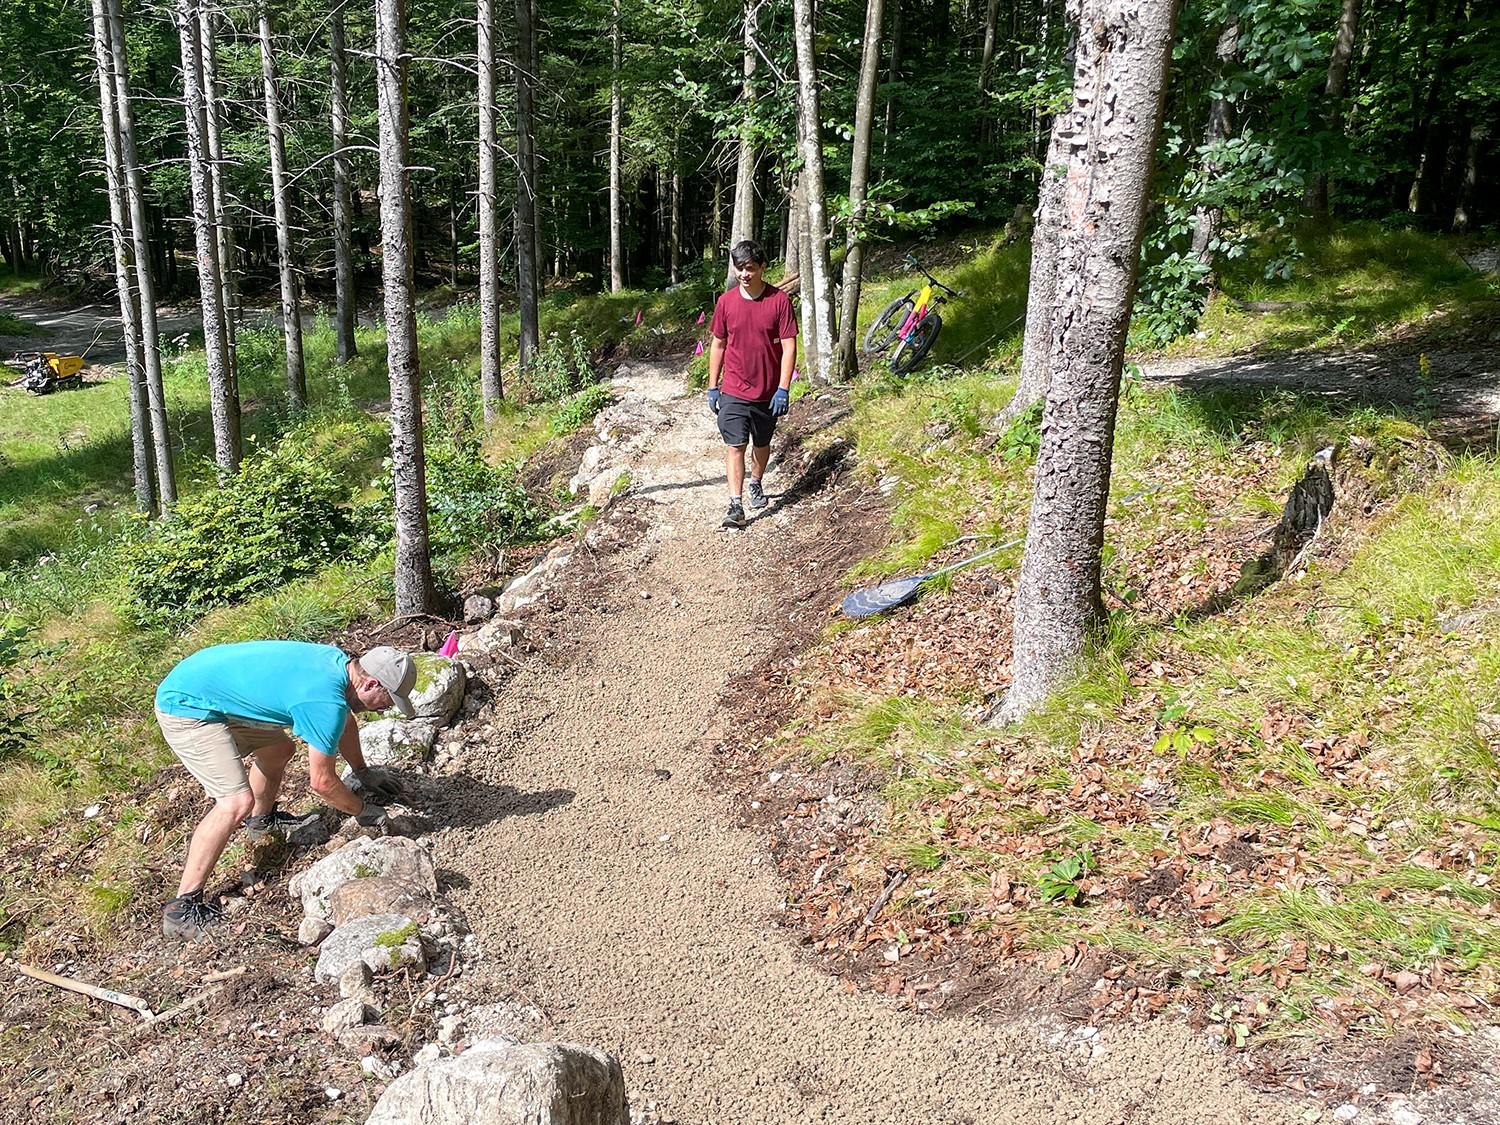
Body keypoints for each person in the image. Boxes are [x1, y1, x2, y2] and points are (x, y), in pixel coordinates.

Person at [154, 640, 417, 941]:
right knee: (234, 802)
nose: (385, 710)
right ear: (370, 683)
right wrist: (364, 811)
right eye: (388, 700)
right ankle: (181, 909)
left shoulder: (337, 666)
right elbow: (322, 783)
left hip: (205, 686)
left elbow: (344, 722)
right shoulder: (324, 703)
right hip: (186, 706)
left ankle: (261, 822)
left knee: (279, 749)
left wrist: (363, 772)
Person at [706, 239, 798, 529]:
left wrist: (783, 388)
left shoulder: (779, 301)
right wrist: (712, 385)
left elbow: (789, 346)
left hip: (767, 391)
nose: (744, 274)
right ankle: (736, 504)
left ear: (762, 268)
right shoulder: (726, 302)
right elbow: (718, 344)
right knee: (735, 445)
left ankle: (756, 481)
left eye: (750, 268)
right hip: (733, 388)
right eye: (739, 268)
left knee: (762, 444)